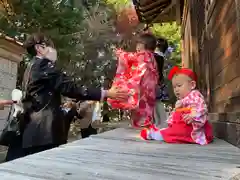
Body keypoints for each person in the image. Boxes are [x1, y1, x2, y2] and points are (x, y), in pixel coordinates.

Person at [8, 33, 127, 158]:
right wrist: (106, 93)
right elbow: (71, 88)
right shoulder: (43, 66)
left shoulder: (31, 67)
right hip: (45, 132)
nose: (54, 51)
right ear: (39, 48)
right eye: (51, 46)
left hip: (33, 132)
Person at [140, 66, 213, 145]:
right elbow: (175, 113)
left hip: (190, 127)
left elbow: (201, 108)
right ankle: (159, 131)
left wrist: (193, 115)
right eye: (174, 87)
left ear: (192, 85)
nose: (176, 89)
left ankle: (154, 134)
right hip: (182, 126)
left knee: (173, 133)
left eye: (179, 86)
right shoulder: (182, 100)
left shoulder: (194, 96)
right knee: (172, 130)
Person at [107, 33, 159, 128]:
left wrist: (121, 54)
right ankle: (144, 124)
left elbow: (130, 57)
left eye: (139, 44)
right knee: (146, 106)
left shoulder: (145, 54)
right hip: (149, 87)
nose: (137, 47)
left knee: (141, 106)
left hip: (143, 85)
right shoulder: (151, 56)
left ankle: (141, 124)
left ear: (145, 44)